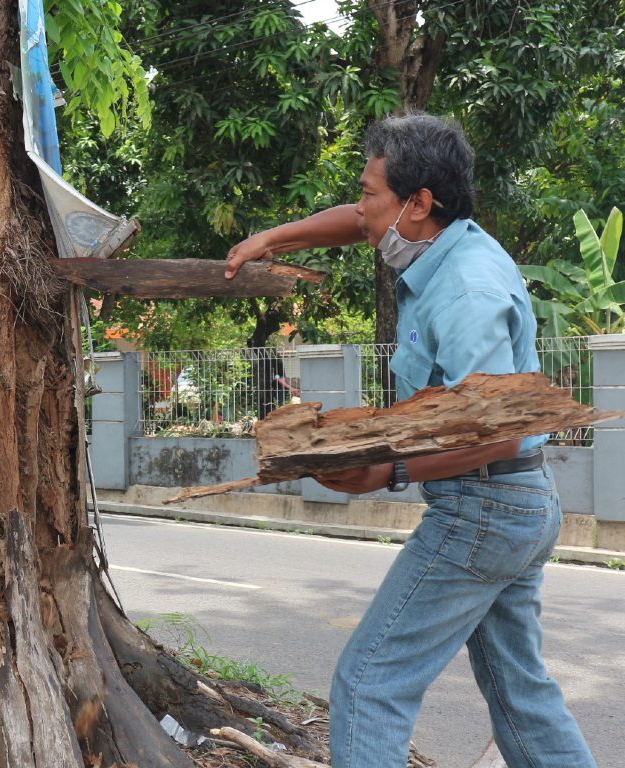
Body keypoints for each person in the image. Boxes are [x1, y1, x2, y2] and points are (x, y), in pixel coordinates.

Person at [225, 113, 595, 768]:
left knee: (369, 685)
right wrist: (272, 240)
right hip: (518, 507)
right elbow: (360, 219)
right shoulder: (450, 242)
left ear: (420, 204)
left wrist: (389, 472)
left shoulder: (465, 291)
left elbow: (501, 433)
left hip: (483, 510)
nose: (361, 209)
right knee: (519, 691)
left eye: (372, 194)